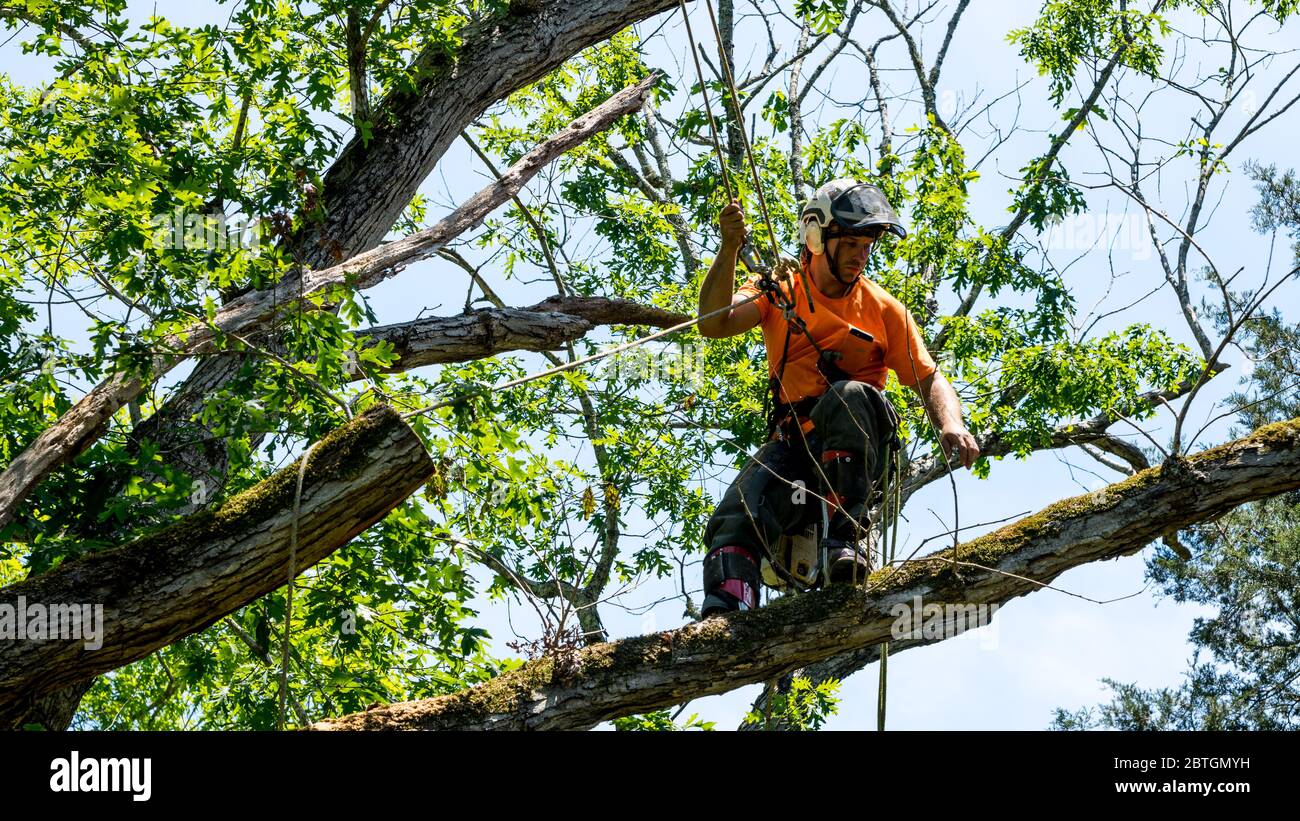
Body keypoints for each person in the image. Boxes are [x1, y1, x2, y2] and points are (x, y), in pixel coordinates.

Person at [696, 177, 979, 618]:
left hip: (855, 455)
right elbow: (714, 323)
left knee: (847, 395)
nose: (862, 253)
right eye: (850, 242)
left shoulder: (884, 309)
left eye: (868, 243)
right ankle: (727, 613)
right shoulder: (779, 288)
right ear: (816, 236)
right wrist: (729, 248)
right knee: (738, 511)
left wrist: (951, 424)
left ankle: (844, 540)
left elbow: (930, 378)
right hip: (796, 448)